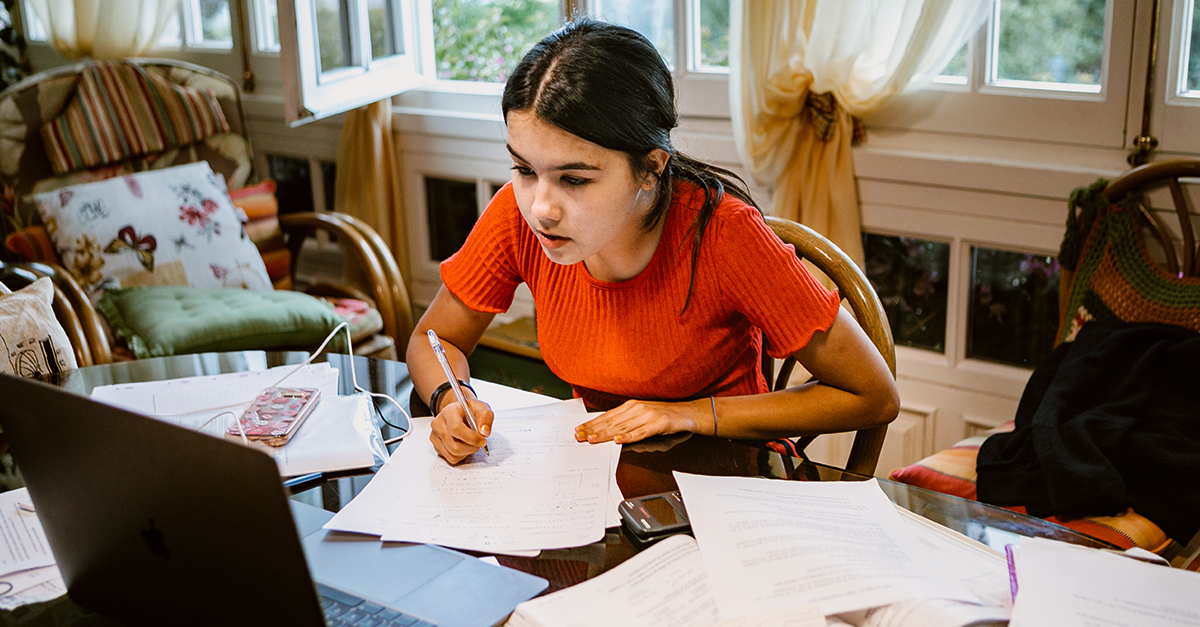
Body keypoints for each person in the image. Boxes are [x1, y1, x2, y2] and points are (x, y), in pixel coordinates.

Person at [407, 18, 899, 464]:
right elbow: (435, 339)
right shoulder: (517, 219)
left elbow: (873, 396)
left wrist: (688, 414)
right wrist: (452, 399)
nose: (540, 207)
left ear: (650, 168)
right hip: (599, 471)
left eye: (575, 180)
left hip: (727, 473)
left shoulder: (724, 234)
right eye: (524, 169)